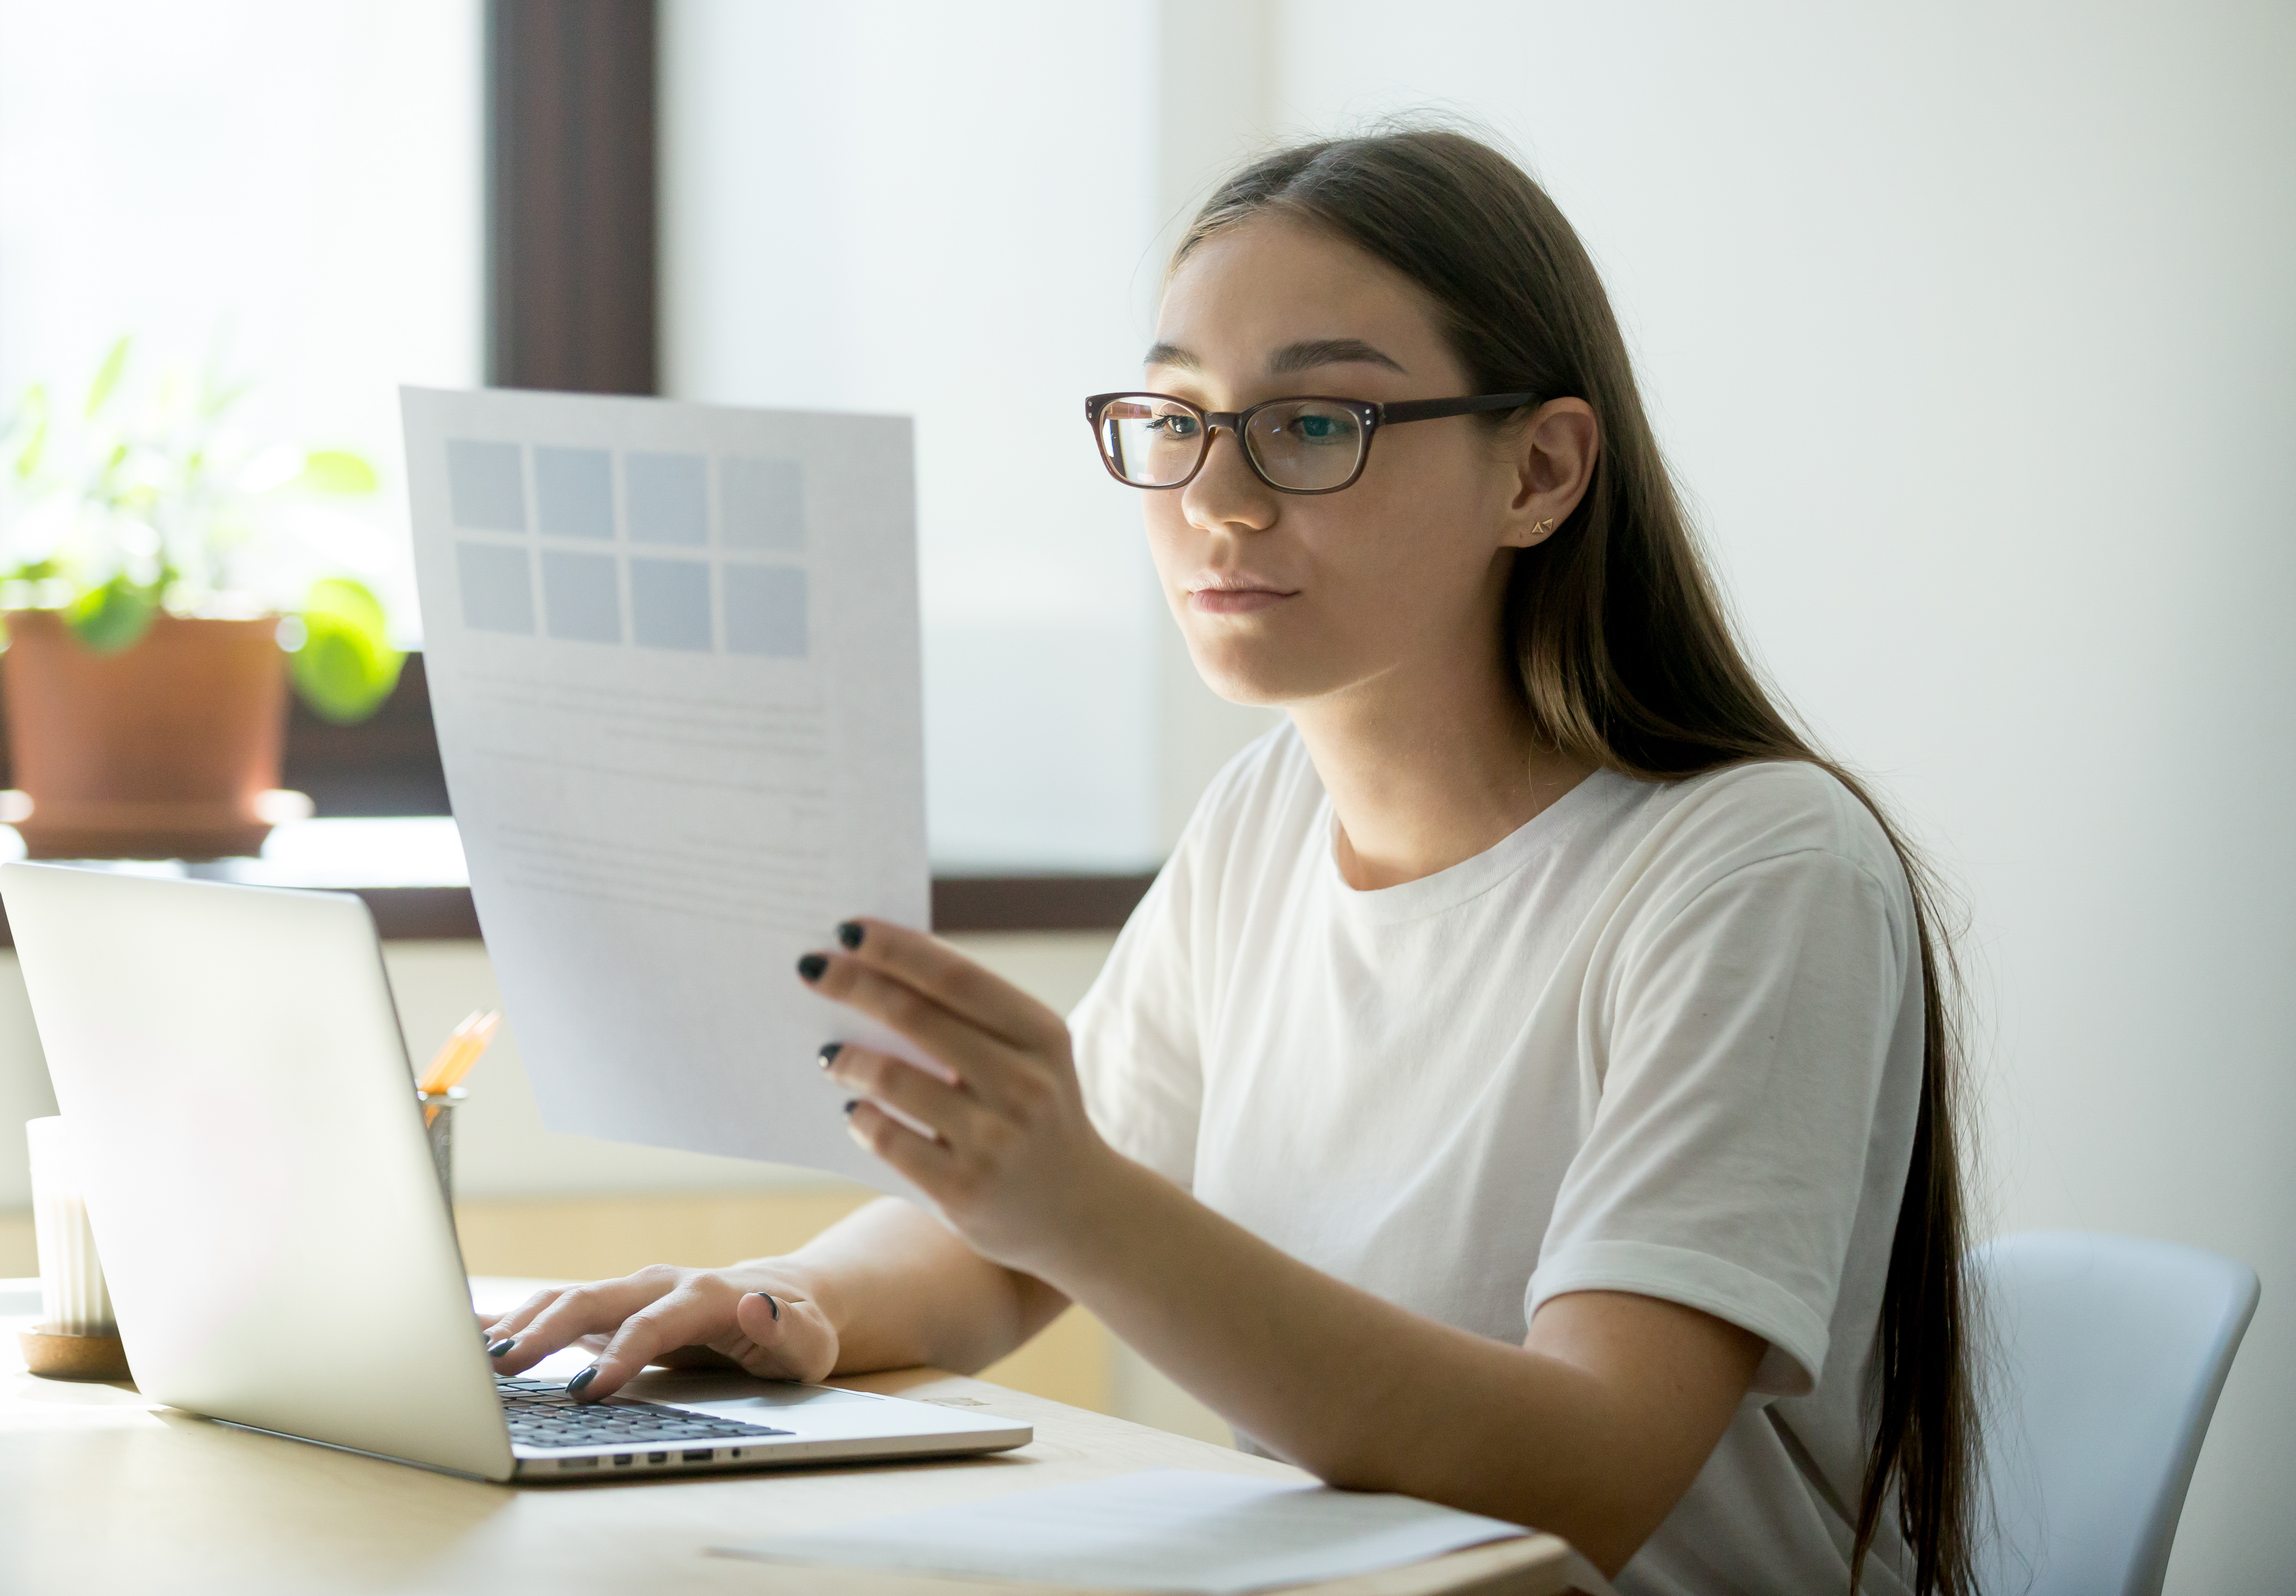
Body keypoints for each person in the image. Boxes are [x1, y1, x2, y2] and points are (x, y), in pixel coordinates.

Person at [478, 129, 1978, 1596]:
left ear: (1541, 471)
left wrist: (1076, 1203)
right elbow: (1005, 1250)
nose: (1215, 499)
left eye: (1317, 425)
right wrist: (776, 1304)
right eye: (1178, 416)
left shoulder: (1759, 872)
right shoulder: (1266, 816)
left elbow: (1585, 1475)